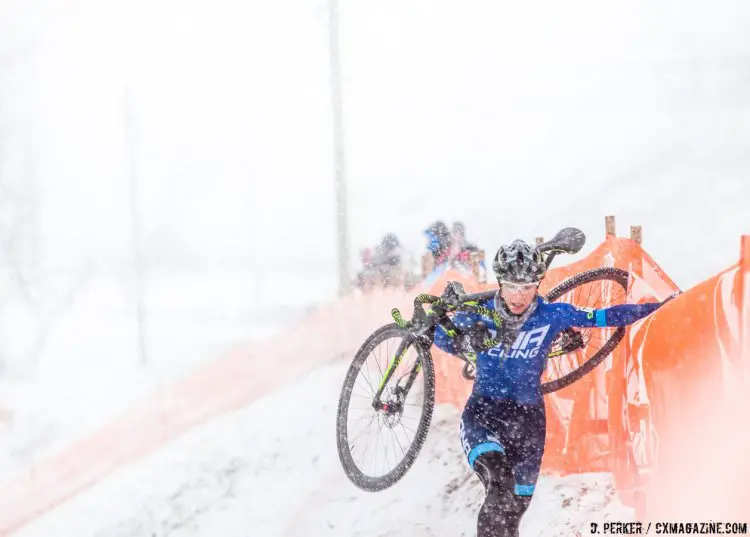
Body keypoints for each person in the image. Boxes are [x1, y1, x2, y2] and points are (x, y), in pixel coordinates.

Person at [431, 238, 676, 537]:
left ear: (538, 284)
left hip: (529, 421)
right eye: (511, 285)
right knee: (499, 482)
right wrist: (449, 326)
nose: (519, 295)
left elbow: (605, 316)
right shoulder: (478, 311)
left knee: (513, 512)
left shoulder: (552, 315)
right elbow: (442, 337)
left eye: (528, 286)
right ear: (499, 282)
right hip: (484, 414)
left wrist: (661, 307)